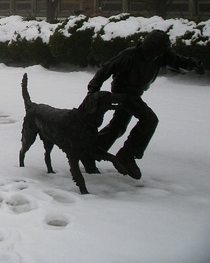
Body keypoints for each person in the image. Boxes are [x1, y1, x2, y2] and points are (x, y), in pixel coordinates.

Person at [87, 29, 203, 179]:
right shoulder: (129, 55)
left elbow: (177, 61)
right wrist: (93, 88)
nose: (152, 56)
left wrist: (192, 64)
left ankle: (92, 150)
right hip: (123, 91)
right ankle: (127, 154)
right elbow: (106, 69)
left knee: (118, 125)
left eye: (156, 54)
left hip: (136, 92)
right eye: (151, 52)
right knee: (149, 119)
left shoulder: (161, 55)